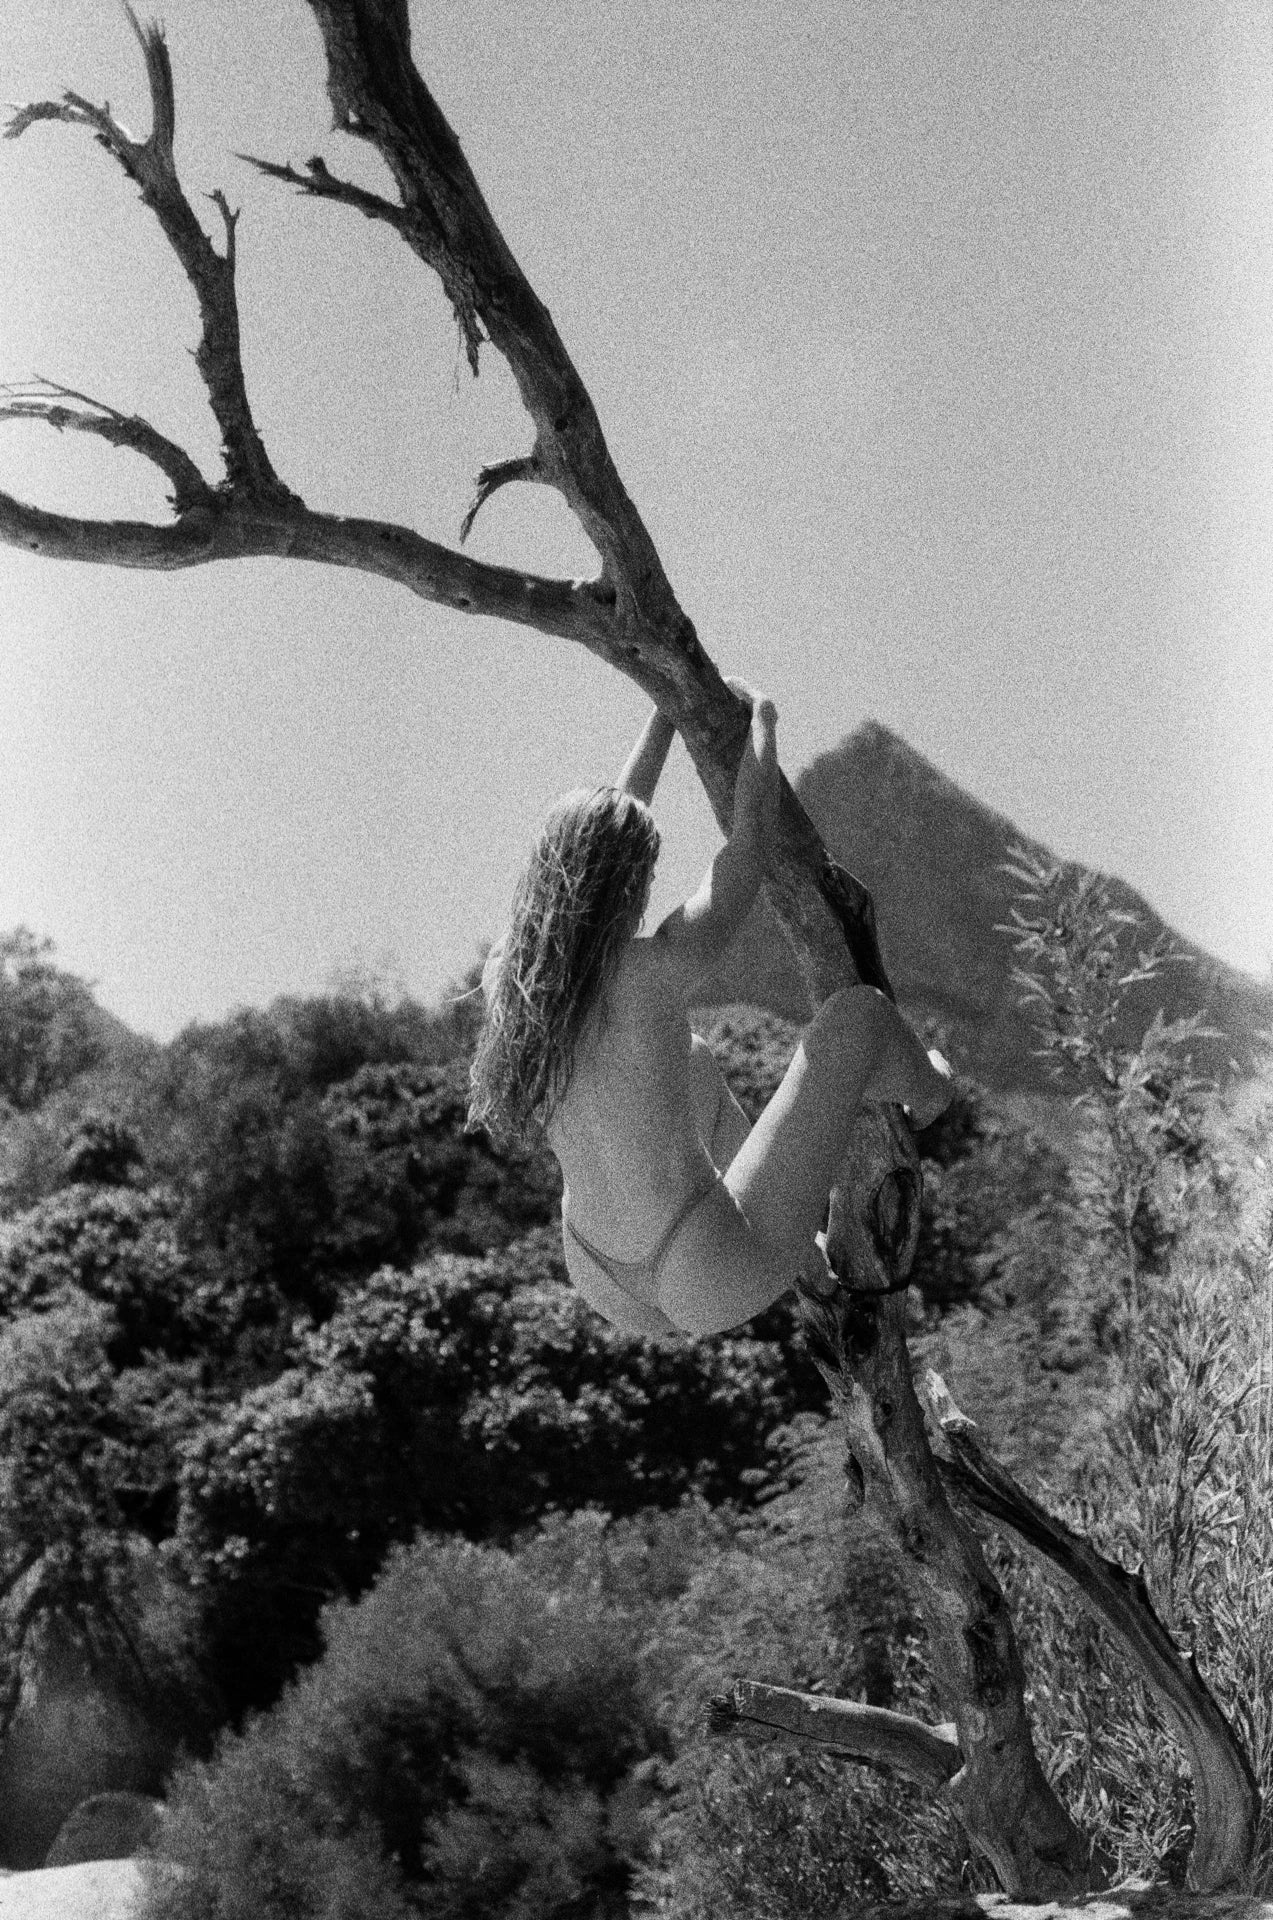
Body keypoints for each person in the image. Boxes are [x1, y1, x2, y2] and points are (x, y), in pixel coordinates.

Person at [468, 687, 953, 1339]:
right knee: (859, 1016)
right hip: (704, 1267)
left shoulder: (512, 980)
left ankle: (800, 1256)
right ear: (627, 884)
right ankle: (932, 1093)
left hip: (599, 1275)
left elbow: (600, 838)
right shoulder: (650, 967)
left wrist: (664, 719)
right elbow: (746, 847)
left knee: (692, 1060)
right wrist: (763, 724)